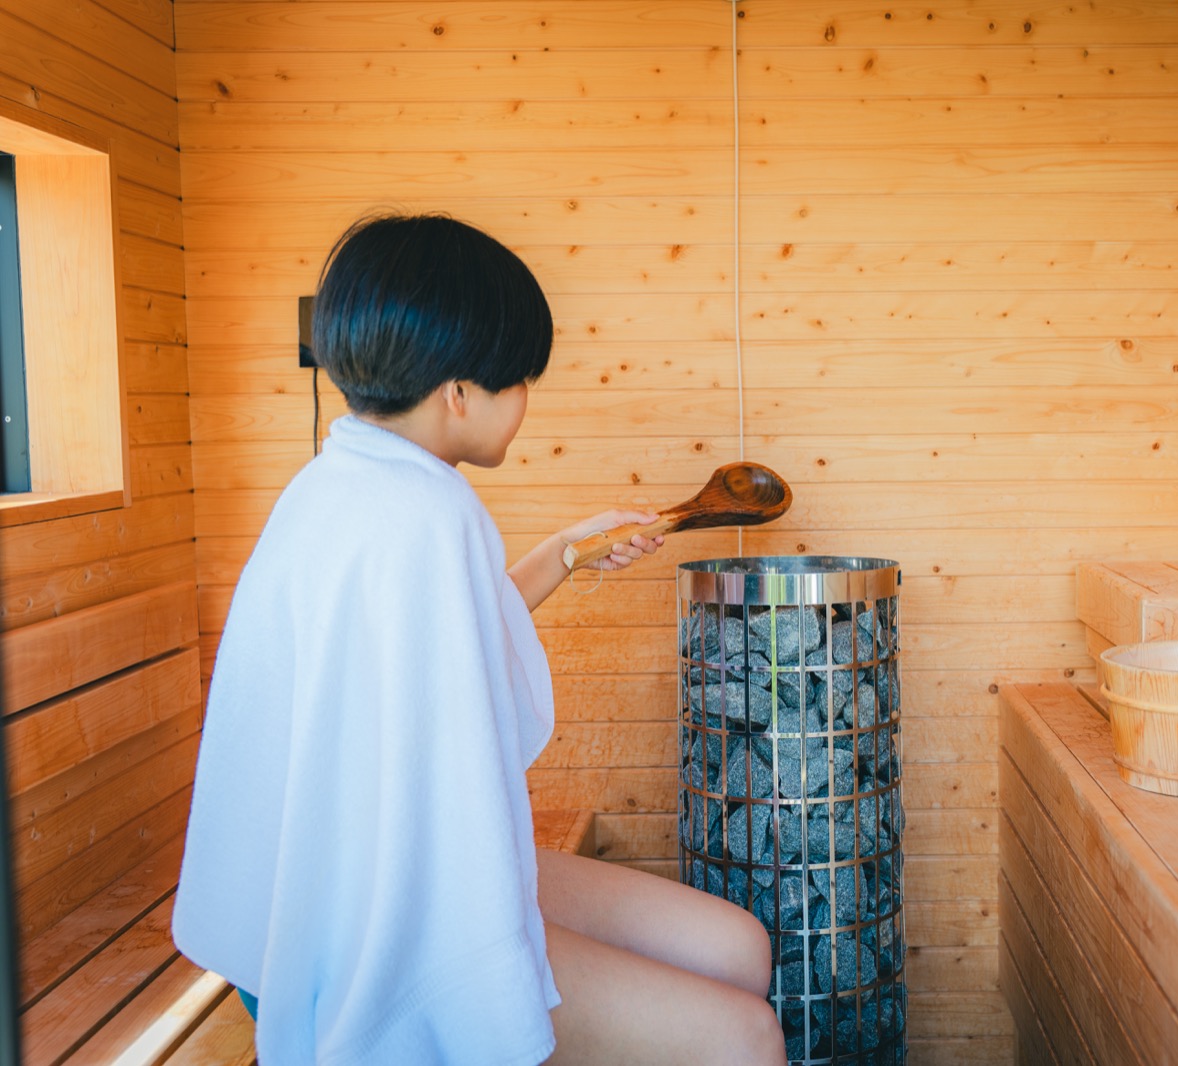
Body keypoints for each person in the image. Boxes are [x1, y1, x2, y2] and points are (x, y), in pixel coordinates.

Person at [173, 213, 785, 1065]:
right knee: (746, 1035)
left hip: (314, 891)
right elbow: (461, 735)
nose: (526, 400)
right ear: (458, 393)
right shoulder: (428, 512)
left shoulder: (337, 482)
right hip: (372, 932)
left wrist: (570, 551)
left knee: (738, 949)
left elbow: (446, 643)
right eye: (519, 379)